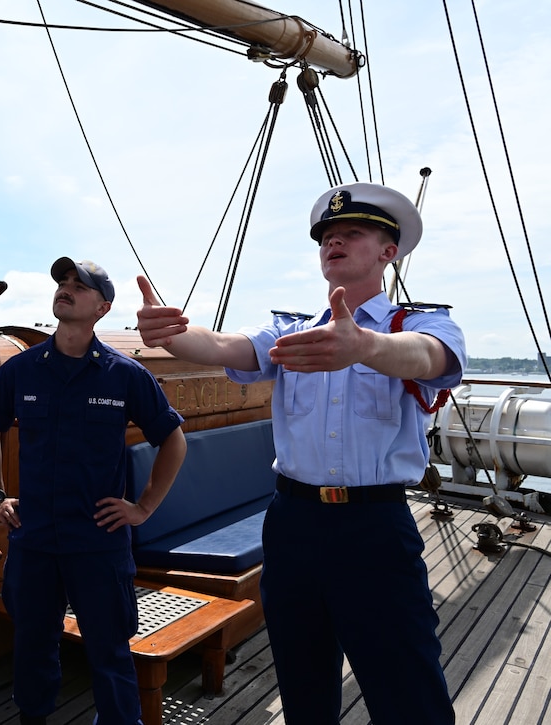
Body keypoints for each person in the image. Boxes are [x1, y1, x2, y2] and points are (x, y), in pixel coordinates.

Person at [135, 182, 465, 724]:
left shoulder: (420, 325)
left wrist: (365, 346)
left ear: (389, 252)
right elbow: (222, 347)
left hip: (375, 527)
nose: (333, 242)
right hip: (293, 524)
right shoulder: (291, 331)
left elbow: (432, 358)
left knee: (407, 687)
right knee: (302, 678)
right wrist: (171, 336)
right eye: (326, 237)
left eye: (351, 233)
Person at [0, 257, 187, 725]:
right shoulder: (21, 370)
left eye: (79, 285)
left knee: (110, 652)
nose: (66, 289)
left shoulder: (124, 374)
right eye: (62, 283)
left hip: (98, 540)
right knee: (32, 645)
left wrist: (144, 507)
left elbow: (172, 439)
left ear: (103, 307)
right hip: (34, 539)